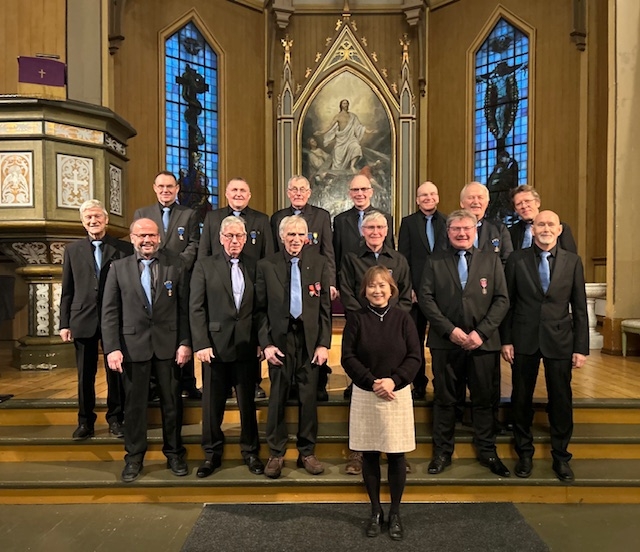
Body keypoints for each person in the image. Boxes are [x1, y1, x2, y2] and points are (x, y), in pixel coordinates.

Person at [418, 209, 510, 478]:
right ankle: (442, 452)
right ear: (448, 232)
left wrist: (481, 332)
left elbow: (502, 299)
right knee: (445, 400)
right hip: (446, 343)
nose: (461, 233)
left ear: (475, 231)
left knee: (484, 399)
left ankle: (488, 451)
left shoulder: (491, 260)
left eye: (466, 228)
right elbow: (426, 299)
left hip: (483, 343)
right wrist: (450, 330)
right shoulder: (435, 261)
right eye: (456, 229)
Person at [501, 210, 588, 482]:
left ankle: (561, 456)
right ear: (533, 229)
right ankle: (524, 453)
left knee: (561, 398)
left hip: (560, 339)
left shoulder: (573, 262)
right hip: (523, 338)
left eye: (551, 224)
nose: (546, 228)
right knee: (521, 398)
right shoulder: (516, 260)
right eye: (541, 224)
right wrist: (506, 340)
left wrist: (581, 347)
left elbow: (580, 307)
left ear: (559, 230)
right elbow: (508, 303)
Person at [102, 218, 191, 483]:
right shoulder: (118, 268)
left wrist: (185, 342)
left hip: (169, 347)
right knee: (134, 407)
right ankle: (134, 457)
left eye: (151, 235)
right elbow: (110, 312)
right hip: (132, 348)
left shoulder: (176, 265)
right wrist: (112, 348)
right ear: (132, 238)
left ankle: (174, 453)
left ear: (159, 238)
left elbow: (184, 308)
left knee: (172, 404)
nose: (146, 240)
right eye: (141, 236)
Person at [341, 266, 421, 540]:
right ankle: (376, 511)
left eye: (382, 285)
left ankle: (395, 513)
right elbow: (348, 357)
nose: (377, 291)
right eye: (372, 286)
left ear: (391, 289)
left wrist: (393, 381)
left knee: (397, 455)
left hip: (396, 393)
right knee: (370, 454)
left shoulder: (403, 319)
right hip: (367, 392)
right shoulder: (356, 319)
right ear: (365, 291)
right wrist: (372, 381)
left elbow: (414, 357)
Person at [255, 215, 331, 479]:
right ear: (281, 237)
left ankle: (307, 452)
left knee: (308, 398)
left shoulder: (319, 263)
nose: (296, 240)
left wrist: (323, 344)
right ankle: (276, 453)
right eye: (291, 234)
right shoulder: (266, 265)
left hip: (309, 341)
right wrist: (266, 344)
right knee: (277, 396)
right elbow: (260, 310)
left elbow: (324, 309)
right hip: (280, 341)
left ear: (307, 238)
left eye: (300, 235)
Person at [189, 216, 264, 477]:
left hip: (247, 346)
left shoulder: (255, 265)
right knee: (213, 405)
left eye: (239, 236)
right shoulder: (204, 266)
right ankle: (212, 454)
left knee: (247, 404)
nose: (234, 241)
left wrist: (261, 342)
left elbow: (261, 308)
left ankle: (251, 452)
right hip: (214, 347)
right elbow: (196, 307)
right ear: (221, 238)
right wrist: (201, 343)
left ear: (246, 238)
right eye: (229, 236)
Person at [59, 199, 132, 440]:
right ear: (83, 222)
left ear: (106, 220)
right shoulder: (73, 250)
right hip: (83, 318)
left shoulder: (124, 248)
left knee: (116, 372)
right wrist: (64, 322)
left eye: (97, 216)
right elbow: (67, 289)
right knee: (85, 374)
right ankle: (85, 421)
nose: (93, 221)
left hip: (116, 318)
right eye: (88, 217)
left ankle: (116, 419)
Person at [199, 177, 274, 399]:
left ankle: (253, 383)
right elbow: (204, 251)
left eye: (243, 190)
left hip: (250, 279)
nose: (238, 194)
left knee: (250, 330)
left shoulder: (261, 219)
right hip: (218, 284)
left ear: (249, 195)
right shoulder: (212, 218)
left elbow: (268, 255)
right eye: (234, 190)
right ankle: (219, 384)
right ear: (226, 193)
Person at [133, 170, 201, 400]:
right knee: (155, 326)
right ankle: (154, 385)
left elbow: (194, 243)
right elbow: (139, 243)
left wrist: (178, 265)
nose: (165, 190)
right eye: (161, 186)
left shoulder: (189, 214)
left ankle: (188, 382)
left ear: (177, 189)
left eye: (170, 186)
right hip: (152, 277)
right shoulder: (142, 213)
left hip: (181, 277)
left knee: (183, 327)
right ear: (155, 188)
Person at [271, 175, 337, 401]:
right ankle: (289, 384)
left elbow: (328, 252)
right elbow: (274, 254)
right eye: (294, 189)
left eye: (302, 189)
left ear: (309, 193)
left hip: (313, 282)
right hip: (286, 283)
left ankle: (318, 383)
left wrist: (330, 282)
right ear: (288, 193)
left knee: (314, 336)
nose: (298, 193)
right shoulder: (278, 217)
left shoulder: (321, 216)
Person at [459, 181, 513, 433]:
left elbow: (508, 263)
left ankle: (490, 422)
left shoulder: (498, 229)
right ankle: (460, 416)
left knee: (488, 375)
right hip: (460, 312)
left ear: (487, 202)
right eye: (471, 198)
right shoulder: (453, 227)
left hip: (491, 308)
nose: (476, 202)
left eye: (480, 198)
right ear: (462, 203)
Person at [398, 181, 448, 399]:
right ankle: (418, 383)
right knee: (415, 340)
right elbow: (404, 258)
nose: (428, 198)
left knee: (441, 340)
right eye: (423, 195)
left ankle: (441, 383)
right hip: (416, 293)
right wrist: (408, 287)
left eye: (432, 194)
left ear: (437, 197)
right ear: (417, 200)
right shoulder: (408, 223)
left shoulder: (448, 221)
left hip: (442, 292)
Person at [333, 174, 394, 280]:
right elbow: (337, 254)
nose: (359, 193)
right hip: (349, 278)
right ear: (350, 194)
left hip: (377, 278)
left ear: (371, 192)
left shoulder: (385, 218)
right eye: (355, 190)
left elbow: (389, 250)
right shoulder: (340, 220)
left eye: (364, 189)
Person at [509, 185, 577, 253]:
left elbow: (570, 257)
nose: (524, 206)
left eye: (527, 201)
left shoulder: (558, 228)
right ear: (515, 209)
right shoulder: (511, 232)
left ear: (537, 203)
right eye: (519, 204)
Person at [314, 99, 373, 172]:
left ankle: (352, 166)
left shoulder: (353, 116)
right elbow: (330, 126)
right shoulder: (338, 116)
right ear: (341, 105)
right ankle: (338, 170)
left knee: (356, 147)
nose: (346, 105)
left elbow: (359, 127)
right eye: (344, 103)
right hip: (341, 139)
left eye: (347, 103)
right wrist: (321, 132)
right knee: (338, 157)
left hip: (351, 138)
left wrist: (368, 131)